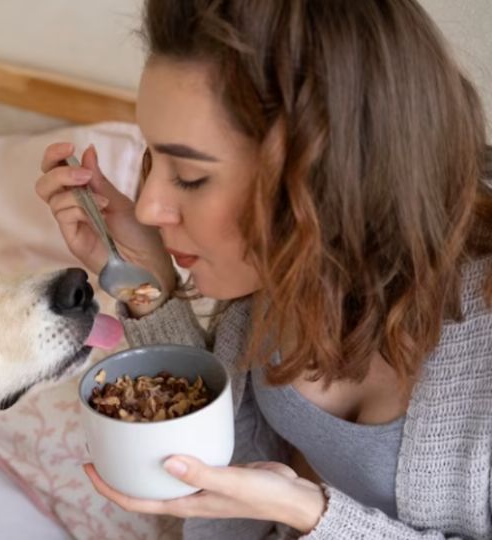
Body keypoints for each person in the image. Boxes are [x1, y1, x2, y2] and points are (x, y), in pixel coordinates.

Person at [35, 0, 492, 538]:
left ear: (323, 180)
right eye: (153, 161)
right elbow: (232, 461)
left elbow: (281, 502)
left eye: (189, 175)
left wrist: (310, 514)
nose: (147, 208)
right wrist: (146, 283)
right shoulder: (280, 272)